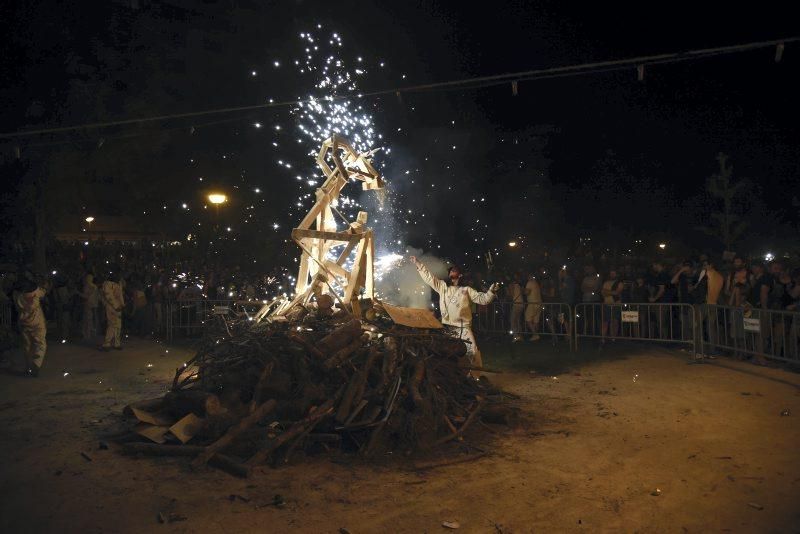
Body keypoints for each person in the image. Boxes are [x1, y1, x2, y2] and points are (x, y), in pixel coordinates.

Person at [410, 256, 498, 376]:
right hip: (447, 328)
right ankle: (449, 376)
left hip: (463, 328)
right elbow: (429, 278)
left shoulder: (467, 290)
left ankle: (476, 377)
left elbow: (483, 300)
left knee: (473, 351)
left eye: (455, 270)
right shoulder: (442, 287)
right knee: (446, 354)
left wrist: (491, 292)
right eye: (451, 270)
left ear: (460, 275)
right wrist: (418, 264)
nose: (452, 271)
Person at [13, 278, 48, 376]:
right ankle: (36, 365)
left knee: (27, 345)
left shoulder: (17, 295)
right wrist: (44, 285)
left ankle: (28, 368)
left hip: (23, 322)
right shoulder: (35, 292)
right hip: (37, 323)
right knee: (40, 344)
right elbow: (43, 292)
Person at [100, 272, 125, 351]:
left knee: (118, 325)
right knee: (112, 324)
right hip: (111, 307)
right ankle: (106, 344)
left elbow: (120, 295)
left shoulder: (118, 283)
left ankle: (117, 343)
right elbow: (108, 296)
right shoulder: (107, 284)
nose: (119, 276)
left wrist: (122, 305)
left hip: (118, 307)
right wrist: (116, 306)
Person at [600, 268, 624, 342]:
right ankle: (603, 338)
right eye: (611, 273)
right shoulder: (606, 282)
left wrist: (607, 292)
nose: (612, 275)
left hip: (616, 304)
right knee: (605, 321)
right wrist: (611, 292)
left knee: (614, 321)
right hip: (607, 304)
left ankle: (613, 338)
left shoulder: (620, 283)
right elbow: (603, 293)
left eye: (613, 273)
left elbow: (617, 293)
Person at [81, 273, 100, 341]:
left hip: (89, 304)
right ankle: (88, 334)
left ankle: (88, 334)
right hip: (91, 304)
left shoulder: (90, 286)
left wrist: (77, 293)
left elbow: (87, 296)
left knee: (88, 319)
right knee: (89, 319)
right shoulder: (92, 286)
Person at [524, 272, 543, 341]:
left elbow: (527, 292)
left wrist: (523, 290)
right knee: (536, 321)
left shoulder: (529, 283)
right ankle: (535, 336)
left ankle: (535, 334)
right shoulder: (536, 283)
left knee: (527, 319)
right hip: (539, 303)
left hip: (532, 303)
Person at [507, 273, 525, 342]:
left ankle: (516, 336)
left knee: (513, 321)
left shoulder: (511, 285)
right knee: (518, 321)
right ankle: (520, 336)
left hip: (516, 304)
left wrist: (508, 292)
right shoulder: (518, 285)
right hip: (521, 304)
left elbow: (511, 295)